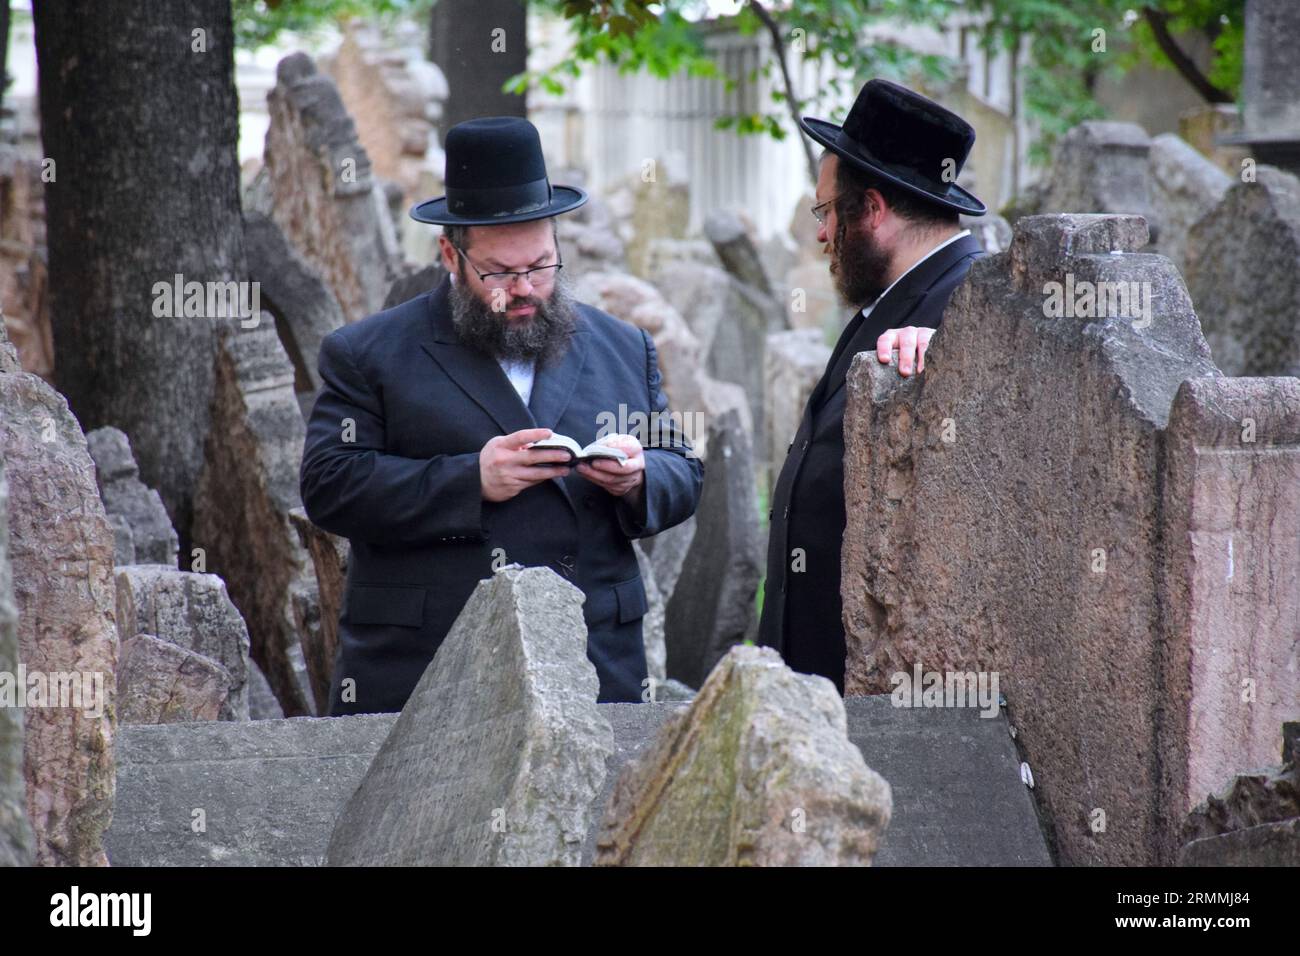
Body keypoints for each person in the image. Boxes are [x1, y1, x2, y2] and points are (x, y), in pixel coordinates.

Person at [301, 116, 703, 715]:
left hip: (595, 659)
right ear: (449, 254)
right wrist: (470, 481)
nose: (524, 289)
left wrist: (641, 476)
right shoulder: (369, 353)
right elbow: (329, 486)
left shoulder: (622, 345)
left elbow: (683, 471)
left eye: (541, 266)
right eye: (500, 272)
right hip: (427, 666)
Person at [758, 79, 987, 692]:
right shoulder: (897, 295)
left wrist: (961, 362)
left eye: (827, 211)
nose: (821, 235)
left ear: (874, 210)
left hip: (876, 686)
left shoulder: (972, 305)